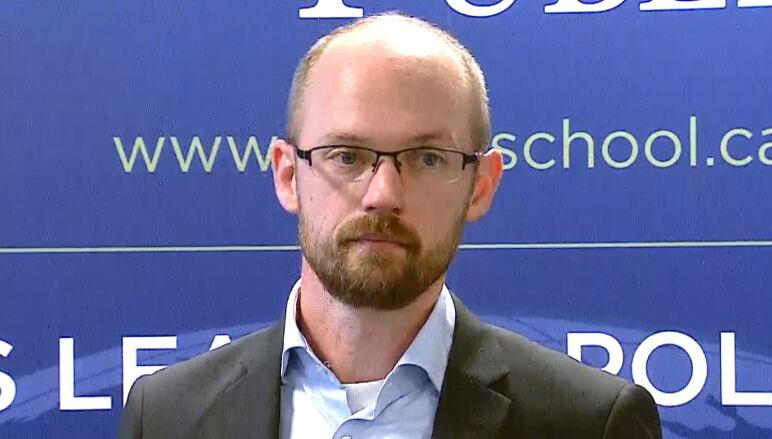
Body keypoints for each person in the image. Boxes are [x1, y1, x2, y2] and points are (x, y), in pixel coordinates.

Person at [118, 12, 662, 439]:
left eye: (427, 159)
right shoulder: (166, 418)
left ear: (482, 185)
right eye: (347, 156)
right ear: (288, 175)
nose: (383, 195)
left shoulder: (589, 424)